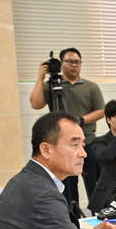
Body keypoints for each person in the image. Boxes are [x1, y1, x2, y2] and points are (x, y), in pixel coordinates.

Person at [30, 48, 105, 207]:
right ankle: (70, 215)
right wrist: (40, 77)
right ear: (61, 63)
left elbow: (101, 111)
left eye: (77, 62)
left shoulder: (90, 86)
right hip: (62, 145)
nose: (73, 65)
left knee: (94, 181)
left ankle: (99, 215)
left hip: (88, 141)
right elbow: (36, 104)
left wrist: (79, 120)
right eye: (69, 61)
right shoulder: (51, 85)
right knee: (67, 187)